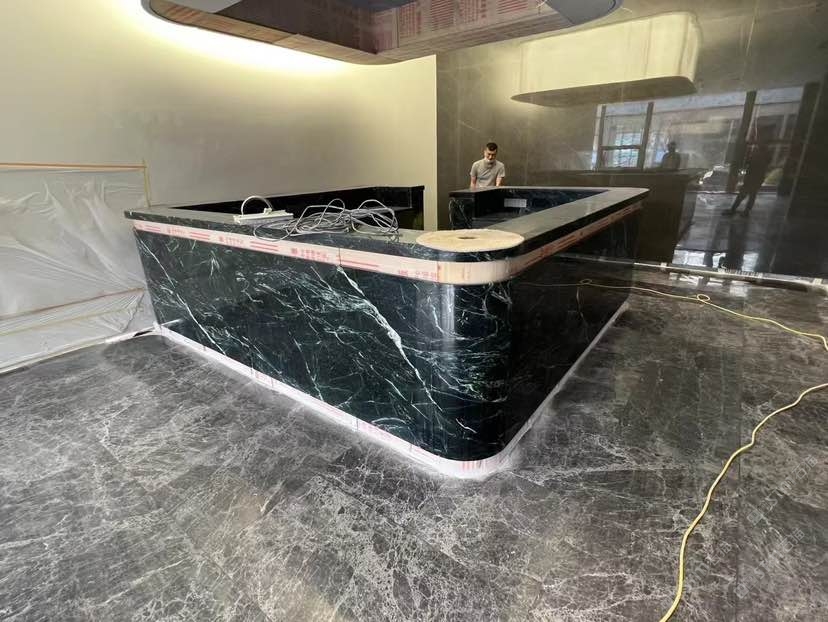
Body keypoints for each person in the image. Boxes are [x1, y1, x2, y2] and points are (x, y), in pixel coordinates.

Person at [729, 138, 772, 215]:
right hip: (757, 178)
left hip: (753, 177)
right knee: (752, 195)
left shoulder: (759, 154)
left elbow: (749, 162)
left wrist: (749, 157)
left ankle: (735, 209)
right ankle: (745, 211)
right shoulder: (765, 154)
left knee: (744, 194)